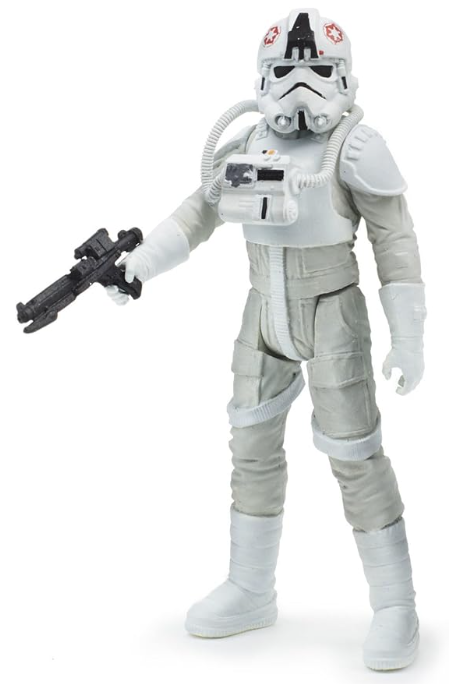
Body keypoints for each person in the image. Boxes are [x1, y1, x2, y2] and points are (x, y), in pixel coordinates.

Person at [107, 8, 426, 671]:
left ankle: (395, 604)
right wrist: (137, 267)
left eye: (318, 71)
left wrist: (408, 337)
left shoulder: (356, 147)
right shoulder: (246, 144)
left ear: (344, 78)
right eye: (284, 71)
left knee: (355, 456)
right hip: (262, 310)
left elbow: (395, 244)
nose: (300, 85)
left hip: (333, 313)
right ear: (261, 78)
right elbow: (194, 215)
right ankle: (251, 587)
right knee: (250, 448)